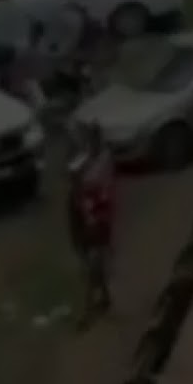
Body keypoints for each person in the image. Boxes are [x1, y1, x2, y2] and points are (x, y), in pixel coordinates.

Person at [67, 121, 115, 327]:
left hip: (95, 222)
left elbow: (100, 193)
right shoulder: (88, 160)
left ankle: (87, 310)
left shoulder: (99, 164)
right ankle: (104, 298)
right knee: (93, 265)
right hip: (87, 222)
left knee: (91, 268)